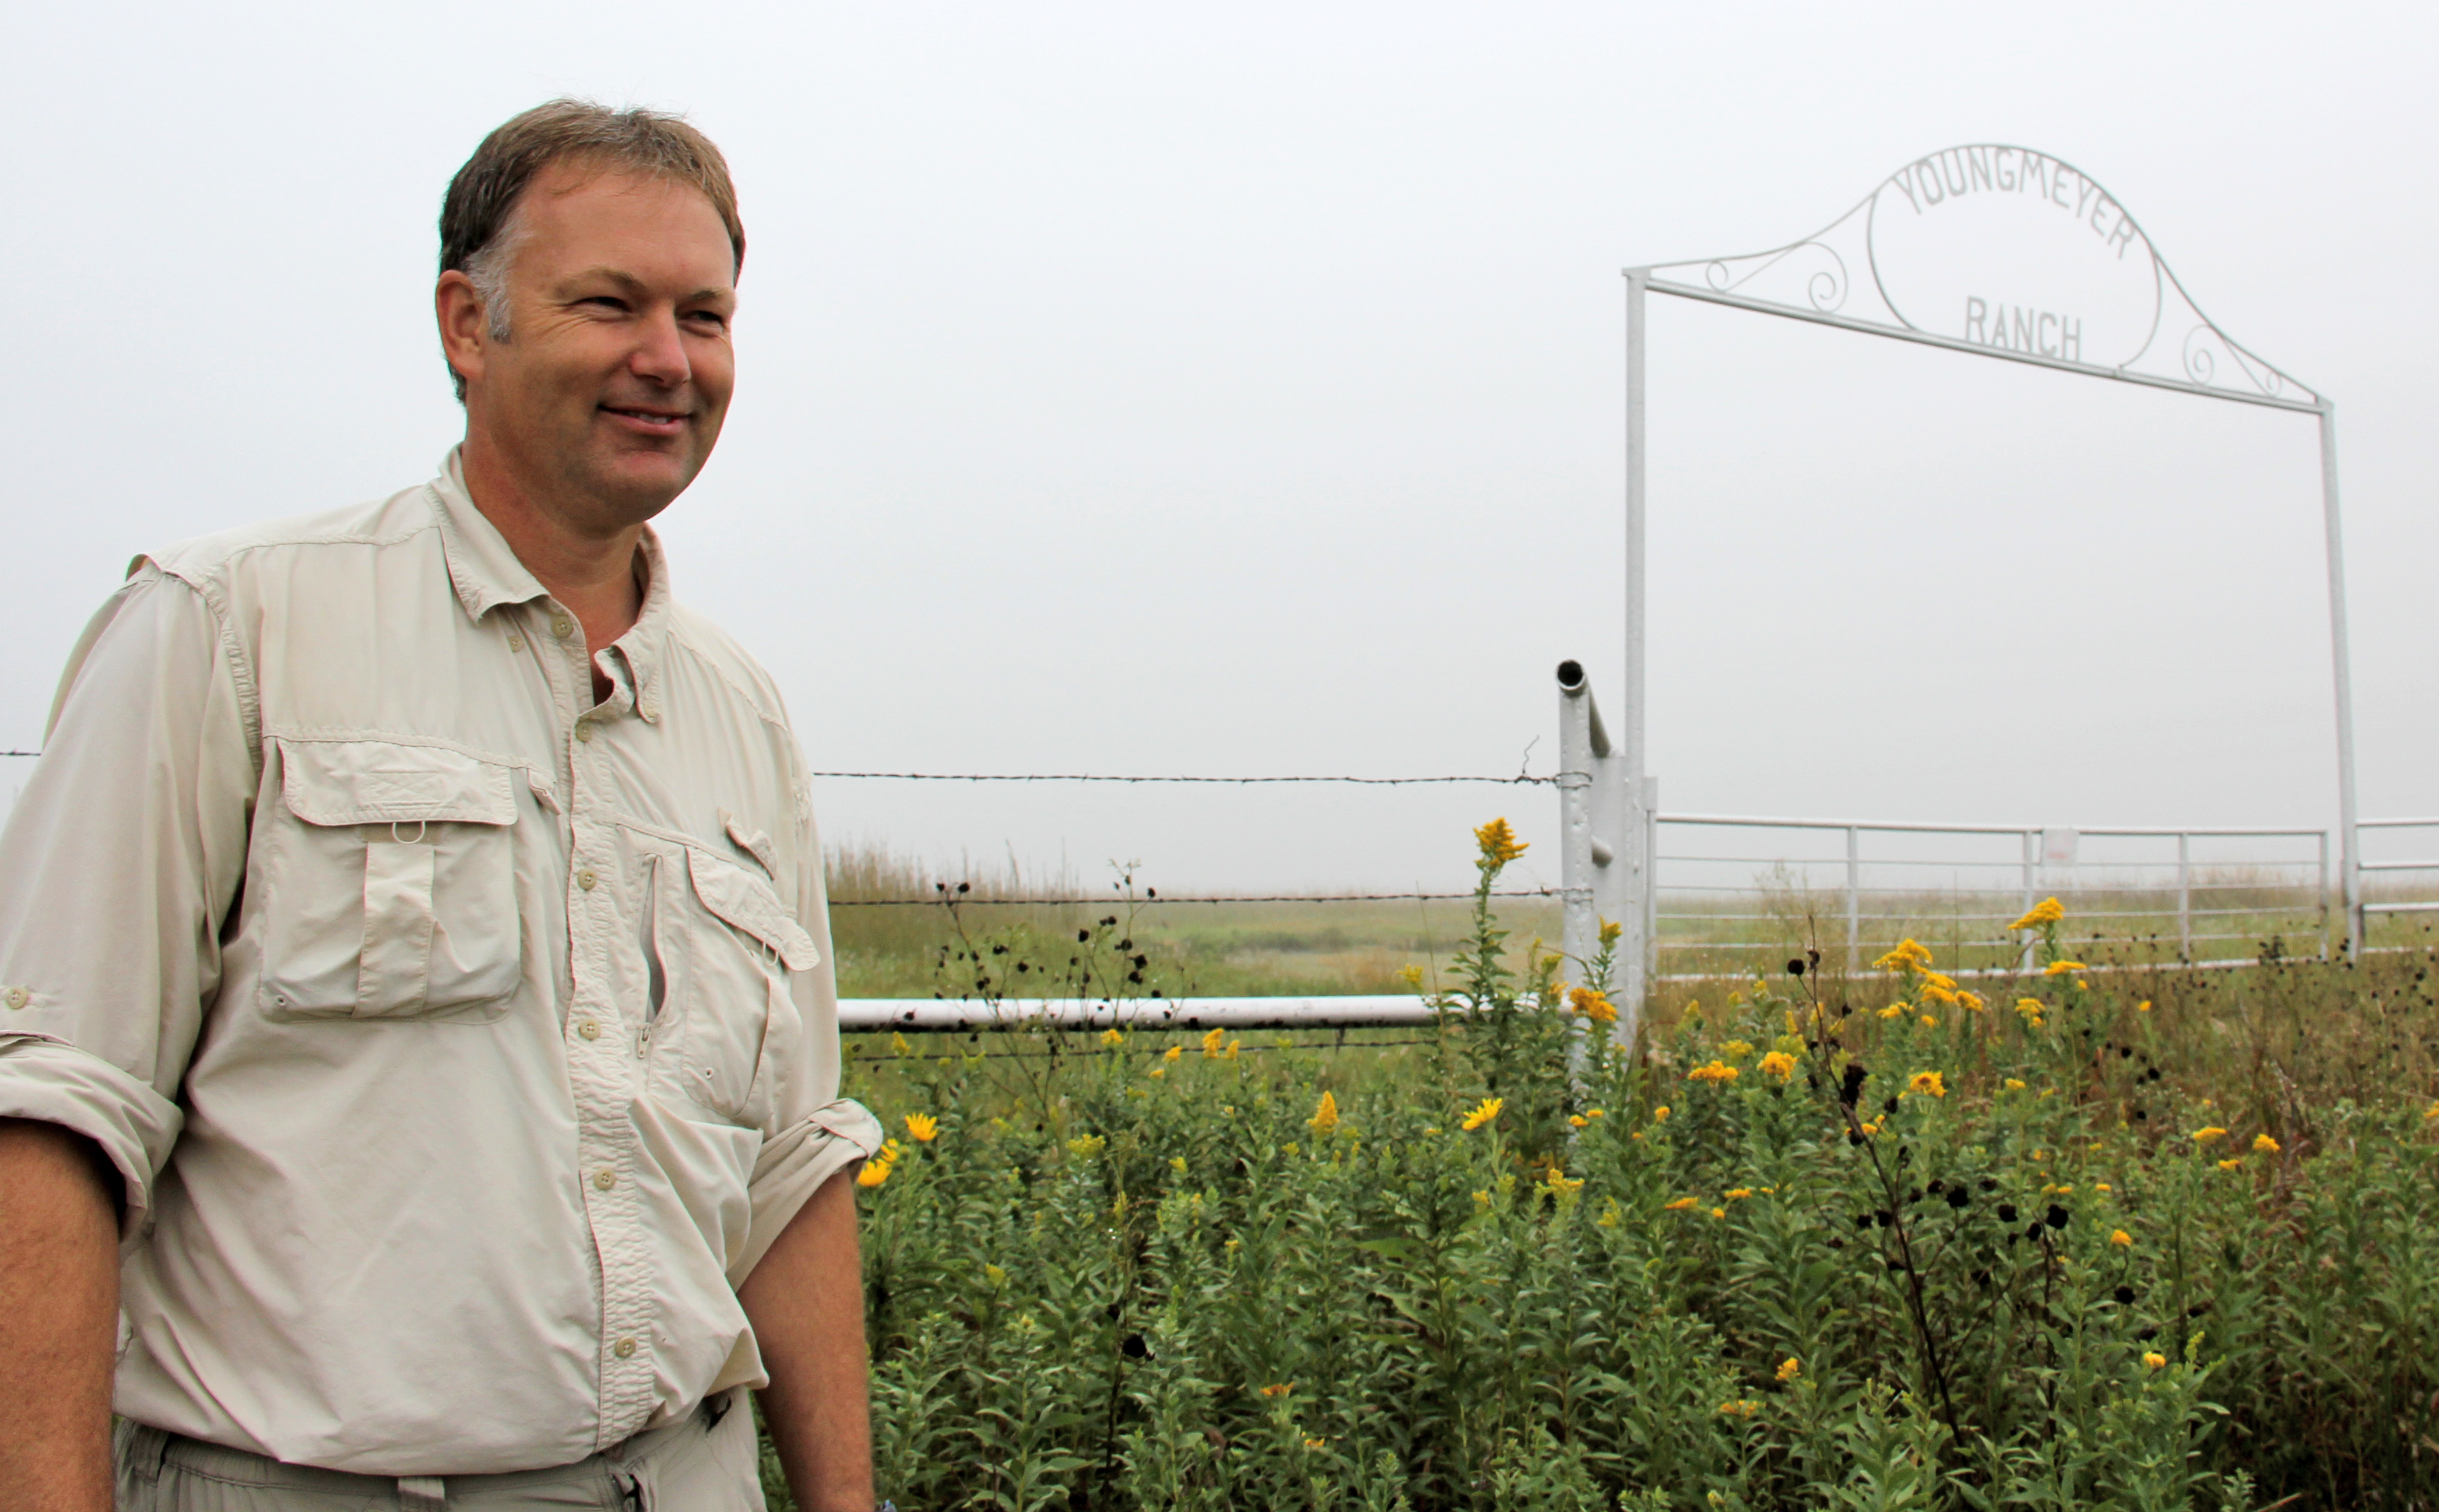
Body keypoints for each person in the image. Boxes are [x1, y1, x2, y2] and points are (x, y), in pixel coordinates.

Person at [0, 100, 885, 1511]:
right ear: (467, 324)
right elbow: (53, 1116)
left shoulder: (740, 712)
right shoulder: (229, 628)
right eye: (610, 303)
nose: (669, 360)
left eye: (704, 316)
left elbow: (790, 1162)